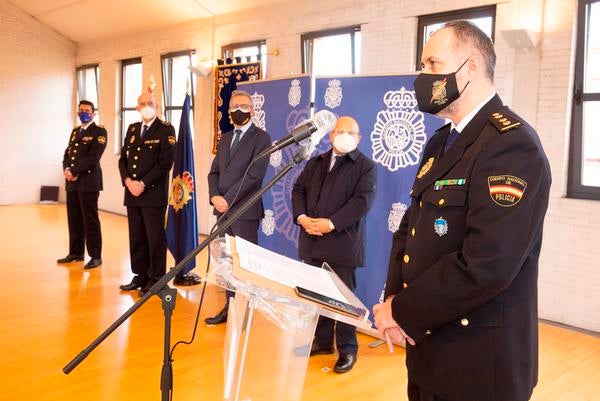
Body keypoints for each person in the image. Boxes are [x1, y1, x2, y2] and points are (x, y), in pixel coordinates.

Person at [373, 20, 551, 401]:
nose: (422, 75)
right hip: (429, 348)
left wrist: (403, 311)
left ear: (470, 67)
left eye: (432, 63)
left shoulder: (512, 145)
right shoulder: (442, 142)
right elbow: (412, 227)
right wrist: (392, 301)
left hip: (477, 363)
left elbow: (487, 263)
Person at [291, 116, 377, 373]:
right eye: (341, 131)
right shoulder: (316, 162)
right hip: (313, 239)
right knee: (318, 295)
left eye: (352, 132)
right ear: (331, 135)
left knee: (343, 299)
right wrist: (302, 217)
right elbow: (299, 190)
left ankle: (348, 349)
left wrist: (332, 223)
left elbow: (362, 202)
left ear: (359, 138)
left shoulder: (365, 166)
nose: (346, 136)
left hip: (343, 242)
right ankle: (323, 341)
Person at [205, 89, 271, 324]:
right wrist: (214, 196)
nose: (239, 110)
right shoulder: (225, 138)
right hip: (222, 211)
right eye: (234, 107)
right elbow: (214, 172)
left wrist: (227, 199)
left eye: (244, 106)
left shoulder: (261, 138)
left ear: (252, 110)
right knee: (227, 263)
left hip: (244, 212)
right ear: (229, 111)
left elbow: (254, 176)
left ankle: (243, 314)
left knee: (244, 265)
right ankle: (230, 307)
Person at [118, 90, 175, 296]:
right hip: (132, 193)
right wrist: (127, 181)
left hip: (152, 193)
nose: (146, 105)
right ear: (137, 108)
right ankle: (140, 275)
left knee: (155, 238)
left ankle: (156, 279)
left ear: (157, 105)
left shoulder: (166, 129)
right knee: (137, 237)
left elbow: (165, 163)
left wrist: (142, 183)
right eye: (142, 103)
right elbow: (123, 160)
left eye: (150, 102)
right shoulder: (133, 129)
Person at [57, 100, 107, 269]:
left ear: (93, 113)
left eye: (87, 110)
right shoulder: (75, 132)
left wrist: (74, 171)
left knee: (90, 220)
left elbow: (93, 157)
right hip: (72, 183)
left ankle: (95, 256)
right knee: (74, 219)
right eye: (81, 110)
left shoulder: (99, 132)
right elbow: (67, 153)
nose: (83, 113)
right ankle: (76, 253)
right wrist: (66, 169)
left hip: (88, 183)